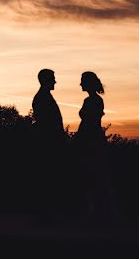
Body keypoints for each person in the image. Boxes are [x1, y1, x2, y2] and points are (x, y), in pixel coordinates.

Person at [75, 71, 116, 217]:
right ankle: (100, 210)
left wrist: (79, 139)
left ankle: (99, 211)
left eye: (82, 81)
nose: (80, 84)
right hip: (93, 139)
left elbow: (89, 123)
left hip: (91, 141)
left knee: (95, 176)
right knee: (96, 176)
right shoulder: (94, 100)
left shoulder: (92, 101)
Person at [31, 68, 67, 219]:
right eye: (52, 78)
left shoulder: (44, 97)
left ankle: (47, 212)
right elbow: (47, 123)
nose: (55, 81)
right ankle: (45, 213)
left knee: (49, 177)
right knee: (47, 177)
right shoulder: (42, 98)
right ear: (45, 80)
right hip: (47, 143)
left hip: (49, 142)